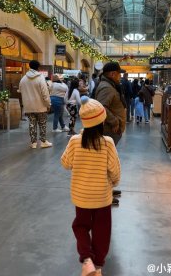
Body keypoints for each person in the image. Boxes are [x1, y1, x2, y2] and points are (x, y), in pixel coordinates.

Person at [61, 96, 120, 276]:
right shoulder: (107, 143)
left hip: (81, 196)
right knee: (102, 230)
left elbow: (65, 163)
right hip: (102, 197)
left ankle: (87, 260)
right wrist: (113, 183)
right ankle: (98, 266)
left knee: (80, 226)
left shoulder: (74, 141)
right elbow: (115, 171)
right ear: (101, 121)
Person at [95, 62, 126, 206]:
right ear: (113, 74)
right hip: (109, 130)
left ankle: (107, 189)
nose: (120, 77)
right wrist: (114, 122)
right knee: (105, 162)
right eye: (119, 74)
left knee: (107, 161)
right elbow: (101, 107)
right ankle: (103, 194)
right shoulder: (106, 87)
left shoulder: (109, 85)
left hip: (111, 130)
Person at [19, 60, 52, 149]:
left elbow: (20, 90)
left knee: (32, 124)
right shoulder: (40, 78)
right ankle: (43, 141)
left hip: (28, 106)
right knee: (42, 124)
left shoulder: (23, 78)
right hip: (40, 105)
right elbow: (45, 93)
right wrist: (48, 104)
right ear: (38, 67)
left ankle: (33, 143)